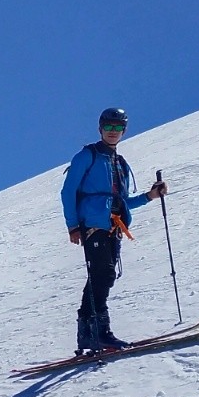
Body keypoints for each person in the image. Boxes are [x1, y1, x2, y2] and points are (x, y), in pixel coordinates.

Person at [60, 107, 167, 353]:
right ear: (100, 128)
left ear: (124, 131)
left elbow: (122, 201)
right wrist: (73, 225)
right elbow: (68, 191)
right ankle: (99, 333)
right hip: (92, 225)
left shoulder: (120, 163)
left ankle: (89, 334)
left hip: (114, 226)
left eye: (118, 127)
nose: (113, 131)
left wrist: (150, 196)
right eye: (108, 126)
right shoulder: (88, 155)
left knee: (102, 277)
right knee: (103, 274)